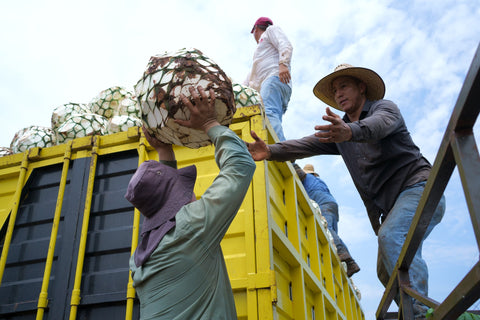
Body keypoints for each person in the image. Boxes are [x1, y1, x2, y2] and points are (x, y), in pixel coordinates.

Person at [245, 64, 445, 318]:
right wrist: (271, 151)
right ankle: (411, 308)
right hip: (393, 207)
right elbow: (307, 144)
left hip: (420, 189)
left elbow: (379, 125)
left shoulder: (384, 109)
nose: (338, 94)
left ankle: (420, 313)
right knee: (386, 271)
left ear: (361, 87)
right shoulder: (340, 134)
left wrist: (349, 131)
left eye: (344, 86)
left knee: (392, 237)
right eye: (335, 90)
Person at [126, 86, 256, 319]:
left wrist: (163, 149)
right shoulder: (192, 227)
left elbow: (160, 209)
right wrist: (209, 124)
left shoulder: (139, 258)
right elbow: (240, 165)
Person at [293, 163, 360, 277]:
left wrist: (291, 165)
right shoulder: (318, 181)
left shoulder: (306, 177)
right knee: (332, 234)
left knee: (327, 230)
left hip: (323, 203)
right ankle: (349, 263)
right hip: (331, 204)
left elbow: (299, 173)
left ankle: (343, 255)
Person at [244, 16, 293, 142]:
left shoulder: (270, 31)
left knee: (269, 114)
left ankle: (282, 150)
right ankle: (280, 149)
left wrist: (283, 64)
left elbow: (285, 44)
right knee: (272, 116)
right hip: (275, 83)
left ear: (255, 29)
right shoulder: (262, 53)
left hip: (273, 78)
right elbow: (253, 78)